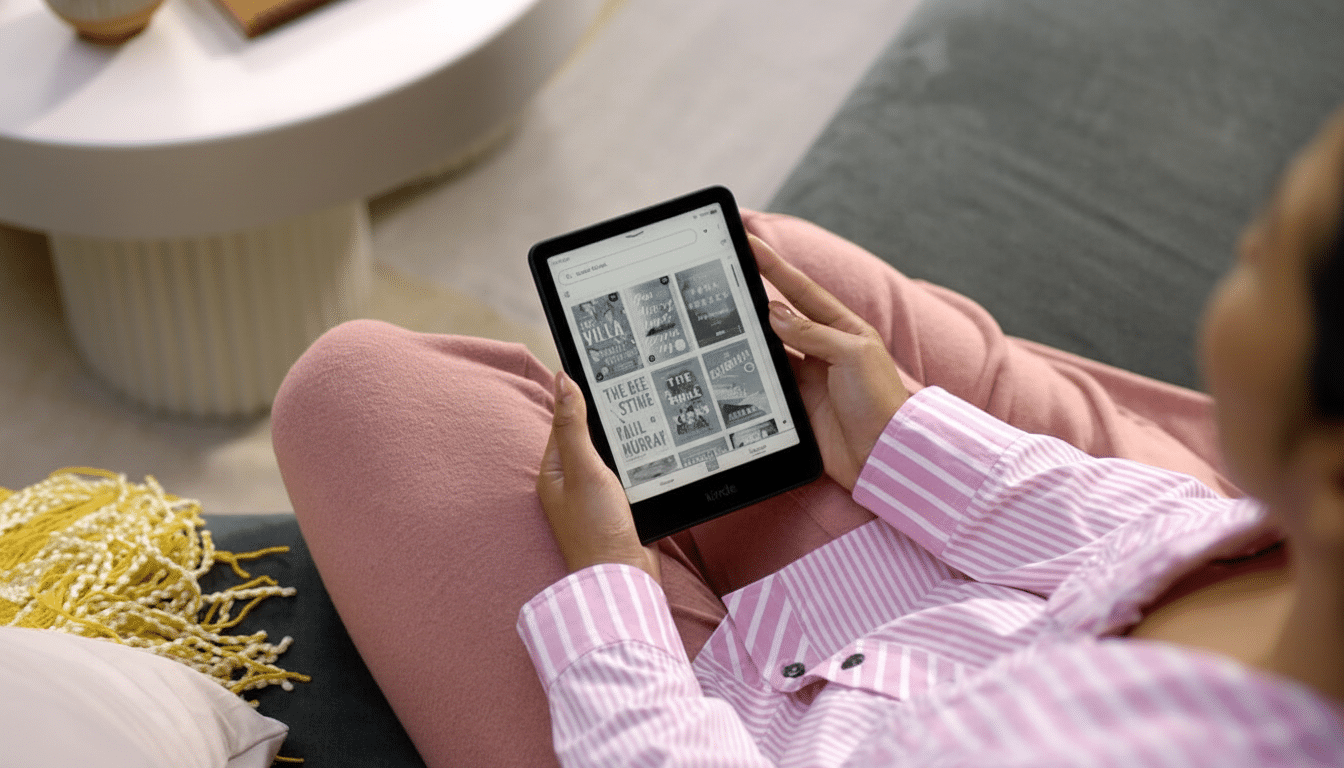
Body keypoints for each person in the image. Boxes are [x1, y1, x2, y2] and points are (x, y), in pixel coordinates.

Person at [271, 110, 1344, 766]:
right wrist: (906, 439)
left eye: (1269, 258)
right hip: (993, 594)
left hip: (745, 726)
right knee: (765, 275)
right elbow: (1163, 535)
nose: (1242, 244)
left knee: (354, 389)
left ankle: (660, 564)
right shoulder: (1295, 549)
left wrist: (609, 596)